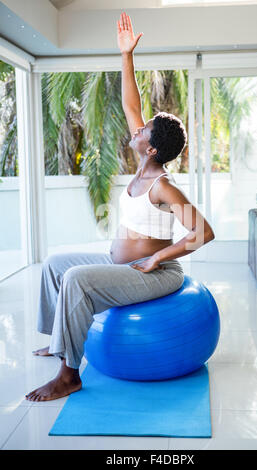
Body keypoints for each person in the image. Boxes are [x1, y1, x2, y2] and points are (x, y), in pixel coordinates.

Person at [25, 11, 215, 402]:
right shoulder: (141, 165)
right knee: (55, 265)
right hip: (124, 265)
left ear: (153, 148)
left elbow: (203, 232)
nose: (137, 129)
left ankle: (68, 374)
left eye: (143, 131)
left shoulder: (163, 186)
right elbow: (132, 106)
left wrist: (159, 257)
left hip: (153, 274)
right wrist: (127, 56)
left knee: (76, 279)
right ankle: (56, 341)